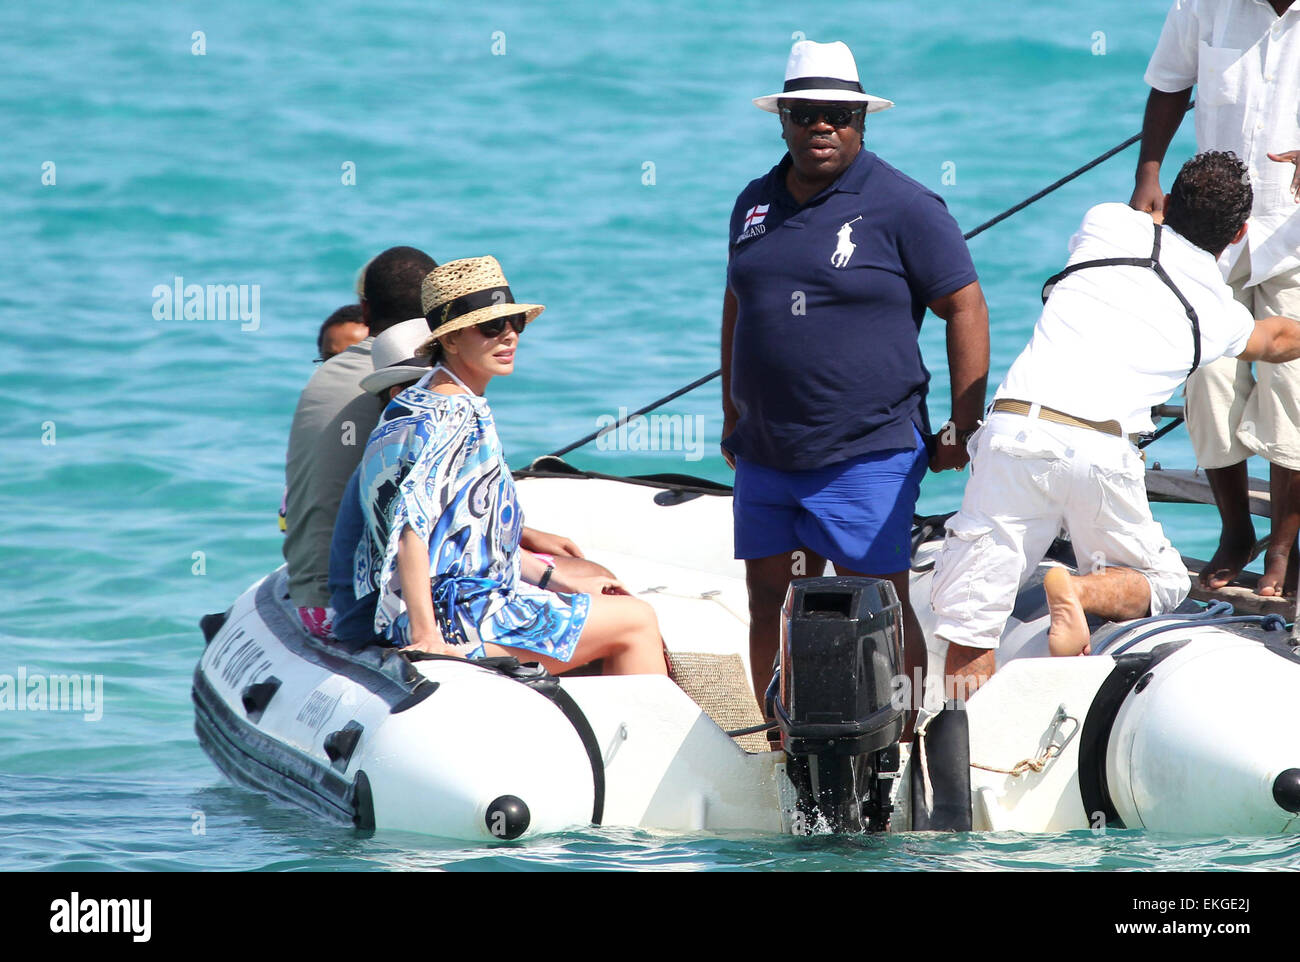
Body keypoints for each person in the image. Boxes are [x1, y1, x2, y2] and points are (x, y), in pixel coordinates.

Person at [933, 151, 1300, 695]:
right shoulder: (1217, 313)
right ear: (1241, 233)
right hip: (1101, 452)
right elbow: (1276, 341)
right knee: (1164, 581)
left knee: (971, 627)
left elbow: (1144, 219)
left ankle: (965, 746)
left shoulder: (1105, 222)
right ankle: (1079, 592)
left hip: (1016, 433)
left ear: (1169, 204)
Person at [720, 39, 990, 711]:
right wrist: (732, 410)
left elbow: (965, 306)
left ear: (861, 122)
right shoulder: (752, 204)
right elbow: (737, 302)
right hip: (767, 452)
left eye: (838, 114)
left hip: (868, 450)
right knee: (768, 603)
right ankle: (779, 746)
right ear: (782, 117)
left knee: (881, 605)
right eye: (807, 112)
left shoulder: (904, 205)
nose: (822, 126)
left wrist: (964, 420)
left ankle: (907, 743)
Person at [354, 256, 667, 675]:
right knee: (637, 620)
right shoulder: (455, 413)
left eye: (513, 323)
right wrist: (427, 639)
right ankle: (640, 740)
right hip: (464, 618)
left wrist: (555, 580)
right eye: (490, 327)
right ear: (449, 339)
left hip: (423, 609)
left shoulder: (415, 400)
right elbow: (411, 527)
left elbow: (464, 537)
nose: (508, 337)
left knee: (601, 599)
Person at [1131, 0, 1300, 596]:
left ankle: (1284, 545)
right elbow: (1171, 83)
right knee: (1206, 375)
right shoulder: (1203, 3)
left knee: (1293, 392)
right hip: (1215, 231)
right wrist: (1148, 174)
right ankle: (1235, 531)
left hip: (1298, 234)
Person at [329, 316, 618, 651]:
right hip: (390, 618)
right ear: (401, 392)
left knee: (590, 577)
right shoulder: (438, 421)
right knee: (626, 613)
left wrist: (548, 568)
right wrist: (425, 636)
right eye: (431, 380)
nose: (443, 389)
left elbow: (454, 535)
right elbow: (412, 531)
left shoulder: (398, 436)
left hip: (411, 607)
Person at [283, 246, 438, 638]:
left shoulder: (327, 372)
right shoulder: (419, 380)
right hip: (352, 607)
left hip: (310, 599)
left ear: (365, 312)